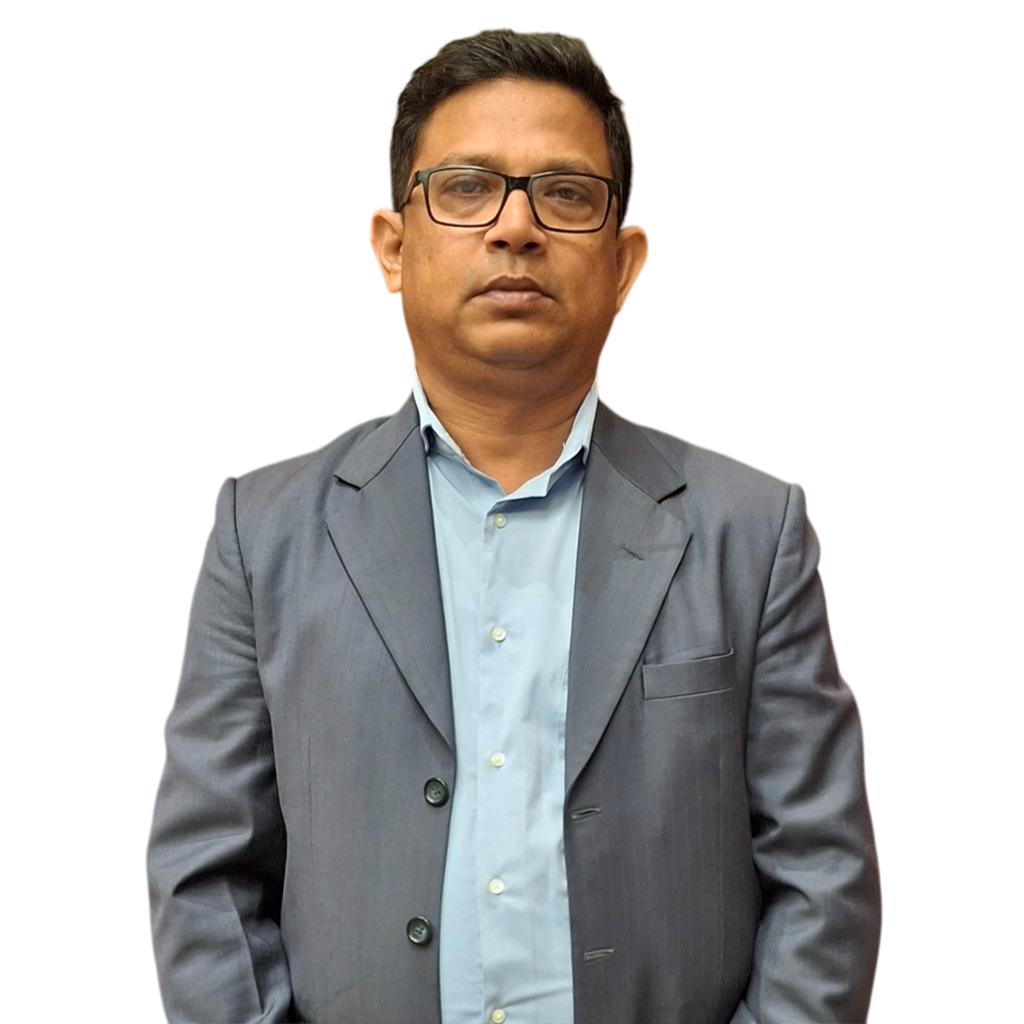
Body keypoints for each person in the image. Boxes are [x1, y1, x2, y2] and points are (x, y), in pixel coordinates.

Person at [148, 28, 881, 1024]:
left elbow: (822, 879)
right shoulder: (266, 533)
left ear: (622, 263)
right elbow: (205, 880)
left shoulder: (749, 535)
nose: (516, 227)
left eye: (565, 194)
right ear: (393, 246)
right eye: (466, 187)